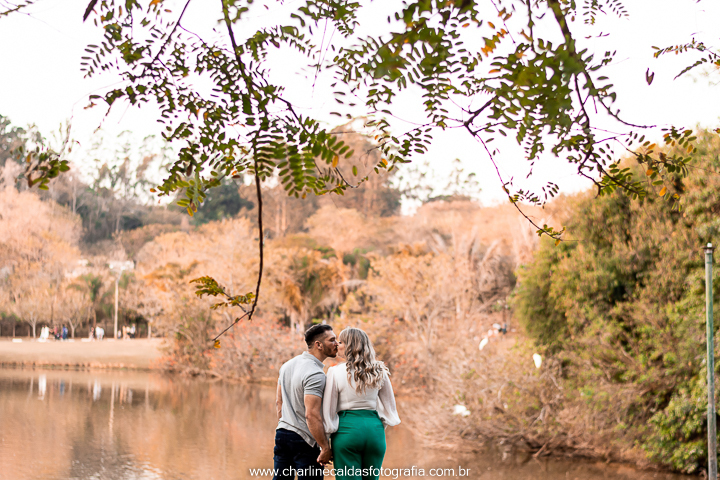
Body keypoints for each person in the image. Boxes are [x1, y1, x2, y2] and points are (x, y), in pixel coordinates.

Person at [323, 327, 400, 480]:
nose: (337, 345)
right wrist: (377, 427)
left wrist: (325, 443)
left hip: (347, 432)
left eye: (341, 342)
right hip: (375, 432)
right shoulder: (379, 371)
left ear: (350, 346)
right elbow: (390, 408)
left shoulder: (335, 372)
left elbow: (328, 412)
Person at [273, 324, 338, 480]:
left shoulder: (287, 365)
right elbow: (311, 415)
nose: (337, 343)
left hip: (282, 434)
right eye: (332, 340)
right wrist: (325, 447)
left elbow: (279, 402)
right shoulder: (315, 373)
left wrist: (286, 425)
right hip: (305, 440)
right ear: (318, 345)